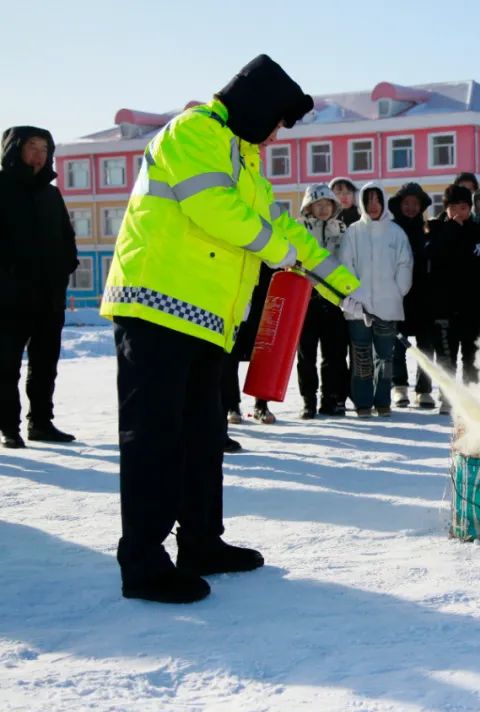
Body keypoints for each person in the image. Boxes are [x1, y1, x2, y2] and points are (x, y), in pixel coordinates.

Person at [100, 54, 364, 604]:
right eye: (272, 124)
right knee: (154, 441)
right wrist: (282, 250)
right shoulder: (193, 132)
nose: (272, 137)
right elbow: (213, 210)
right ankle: (144, 563)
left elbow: (283, 224)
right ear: (253, 107)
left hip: (204, 320)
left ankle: (202, 542)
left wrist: (339, 282)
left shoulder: (243, 161)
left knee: (202, 440)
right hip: (155, 308)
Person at [0, 127, 78, 449]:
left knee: (46, 364)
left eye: (45, 149)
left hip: (48, 297)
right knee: (6, 366)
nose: (39, 155)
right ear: (15, 149)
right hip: (8, 299)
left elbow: (66, 239)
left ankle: (41, 423)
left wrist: (64, 269)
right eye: (32, 147)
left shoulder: (51, 194)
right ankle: (9, 428)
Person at [338, 182, 413, 417]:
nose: (373, 205)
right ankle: (363, 403)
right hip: (358, 308)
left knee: (385, 357)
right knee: (361, 357)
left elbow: (405, 264)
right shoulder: (353, 232)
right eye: (368, 200)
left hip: (387, 307)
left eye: (377, 200)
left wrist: (396, 291)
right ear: (362, 203)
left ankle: (382, 401)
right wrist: (355, 296)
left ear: (383, 202)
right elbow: (345, 266)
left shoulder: (396, 232)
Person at [426, 184, 480, 408]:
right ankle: (447, 397)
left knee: (472, 356)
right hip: (444, 305)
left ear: (470, 208)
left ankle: (471, 397)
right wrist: (451, 229)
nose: (458, 213)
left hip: (473, 306)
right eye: (453, 208)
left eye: (463, 207)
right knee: (446, 356)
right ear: (446, 208)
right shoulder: (435, 229)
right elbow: (433, 257)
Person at [297, 184, 350, 418]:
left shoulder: (341, 228)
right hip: (305, 299)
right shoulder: (299, 229)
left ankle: (331, 398)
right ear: (308, 207)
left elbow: (348, 260)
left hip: (334, 300)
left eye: (328, 204)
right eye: (318, 205)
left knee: (335, 354)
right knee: (306, 353)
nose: (323, 209)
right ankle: (308, 400)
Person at [388, 183, 437, 409]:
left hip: (425, 296)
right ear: (399, 205)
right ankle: (399, 387)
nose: (410, 207)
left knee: (426, 344)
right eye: (406, 203)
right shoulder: (390, 230)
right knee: (397, 343)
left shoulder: (428, 229)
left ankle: (424, 390)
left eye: (415, 204)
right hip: (398, 296)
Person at [222, 264, 277, 434]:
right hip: (234, 301)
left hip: (263, 301)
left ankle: (261, 404)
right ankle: (231, 405)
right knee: (229, 357)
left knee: (262, 355)